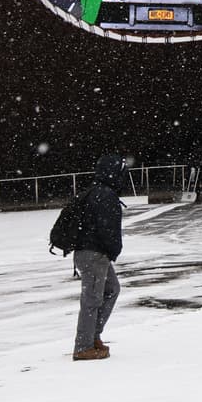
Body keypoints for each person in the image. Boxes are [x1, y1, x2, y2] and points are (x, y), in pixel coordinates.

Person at [72, 155, 127, 361]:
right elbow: (107, 229)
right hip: (94, 254)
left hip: (90, 252)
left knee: (112, 289)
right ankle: (83, 346)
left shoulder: (94, 191)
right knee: (92, 299)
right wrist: (114, 249)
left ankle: (92, 335)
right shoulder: (105, 195)